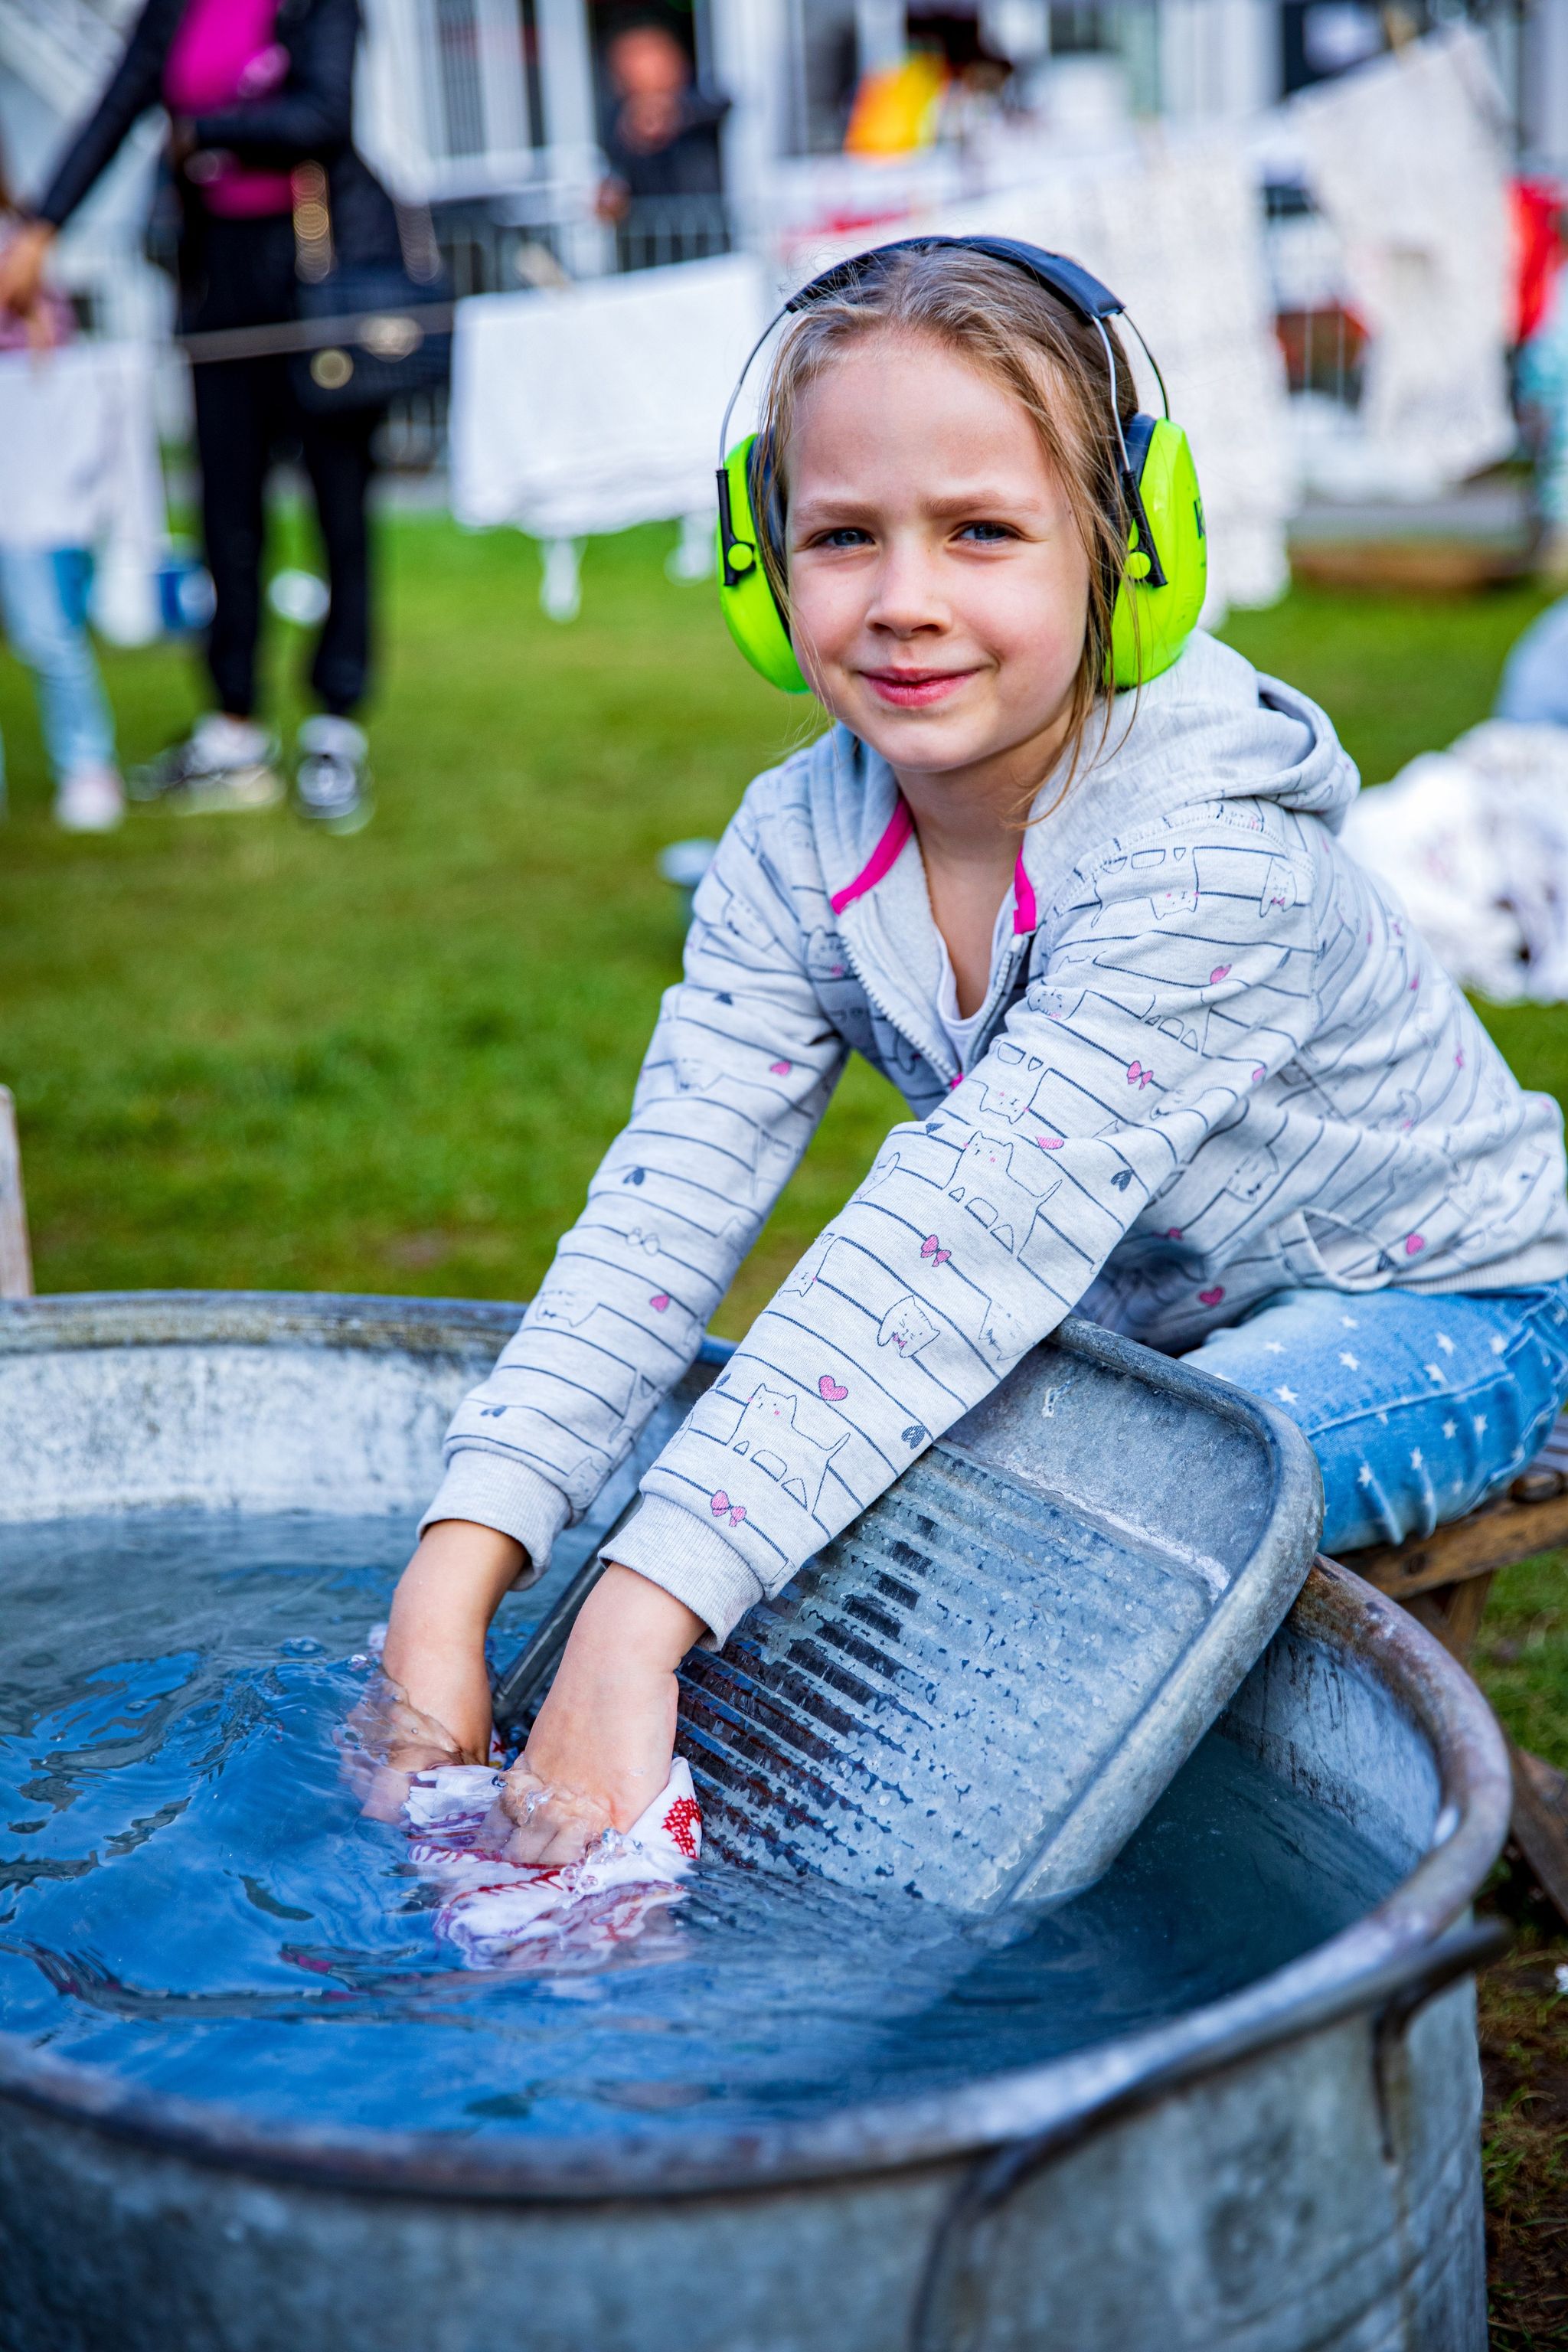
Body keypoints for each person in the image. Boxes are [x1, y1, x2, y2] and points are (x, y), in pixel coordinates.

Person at [372, 240, 1568, 1857]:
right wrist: (455, 1585)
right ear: (757, 567)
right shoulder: (795, 845)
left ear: (1129, 555)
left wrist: (634, 1625)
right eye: (841, 537)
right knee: (807, 1484)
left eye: (984, 533)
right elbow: (657, 1217)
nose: (904, 600)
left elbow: (954, 1246)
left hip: (1451, 1307)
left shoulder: (1206, 860)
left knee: (1045, 1520)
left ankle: (959, 1918)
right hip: (1131, 1335)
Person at [0, 0, 403, 831]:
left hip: (320, 276)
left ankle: (335, 723)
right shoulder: (176, 9)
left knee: (338, 506)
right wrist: (40, 229)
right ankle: (235, 727)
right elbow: (115, 108)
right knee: (226, 510)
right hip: (216, 278)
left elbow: (324, 115)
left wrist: (200, 129)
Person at [596, 21, 728, 233]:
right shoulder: (619, 120)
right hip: (652, 238)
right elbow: (617, 171)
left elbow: (723, 103)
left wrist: (675, 113)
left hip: (706, 230)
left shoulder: (697, 99)